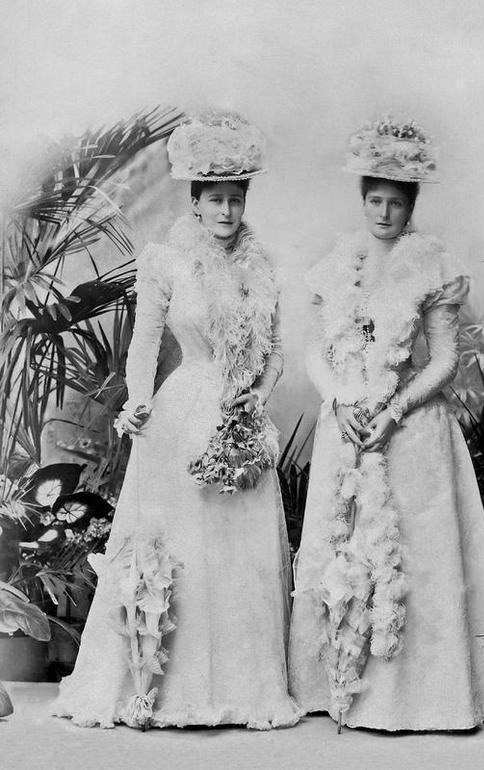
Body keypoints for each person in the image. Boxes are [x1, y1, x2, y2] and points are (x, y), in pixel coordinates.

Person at [54, 112, 299, 730]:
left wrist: (258, 396)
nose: (226, 211)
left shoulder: (261, 264)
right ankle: (161, 687)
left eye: (235, 199)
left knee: (239, 551)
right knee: (184, 548)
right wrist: (139, 400)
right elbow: (145, 343)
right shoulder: (166, 260)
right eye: (215, 199)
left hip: (240, 417)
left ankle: (243, 689)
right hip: (183, 409)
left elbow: (275, 350)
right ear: (194, 201)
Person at [288, 116, 484, 731]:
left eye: (395, 203)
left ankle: (422, 698)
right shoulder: (340, 262)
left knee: (414, 557)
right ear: (362, 199)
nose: (384, 213)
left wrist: (393, 411)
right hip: (346, 421)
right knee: (343, 546)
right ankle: (337, 687)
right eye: (375, 201)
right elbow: (316, 349)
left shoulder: (432, 264)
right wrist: (338, 398)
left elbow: (444, 360)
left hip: (409, 427)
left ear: (411, 205)